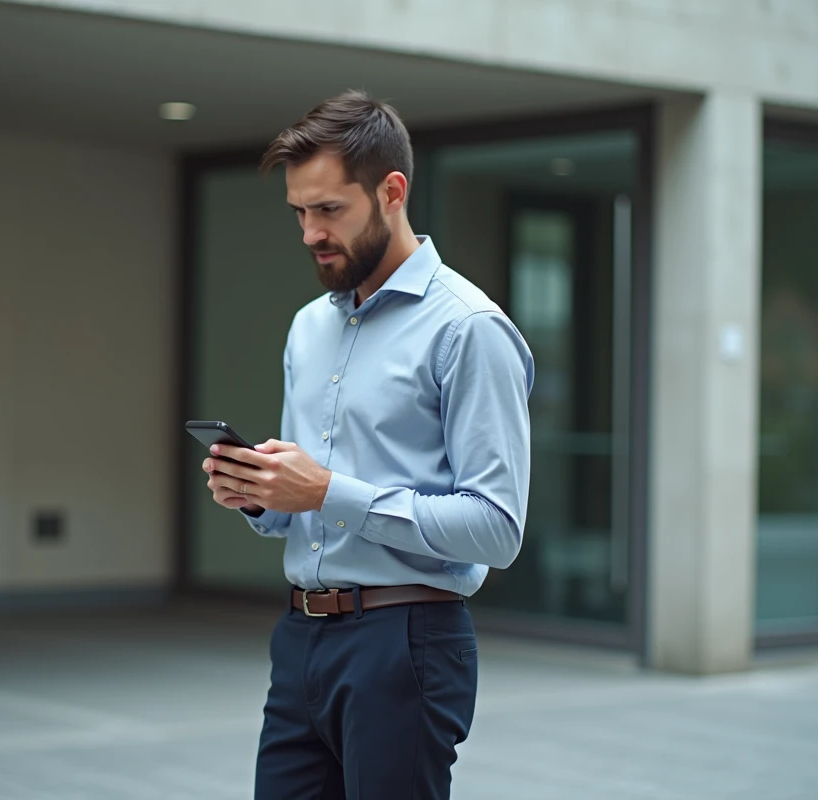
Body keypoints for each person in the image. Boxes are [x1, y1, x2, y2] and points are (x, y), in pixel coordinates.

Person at [200, 91, 534, 800]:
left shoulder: (468, 330)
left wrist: (327, 491)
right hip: (299, 642)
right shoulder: (307, 327)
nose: (310, 234)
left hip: (406, 643)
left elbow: (497, 528)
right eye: (299, 212)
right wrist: (260, 494)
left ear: (391, 192)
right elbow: (301, 506)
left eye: (329, 211)